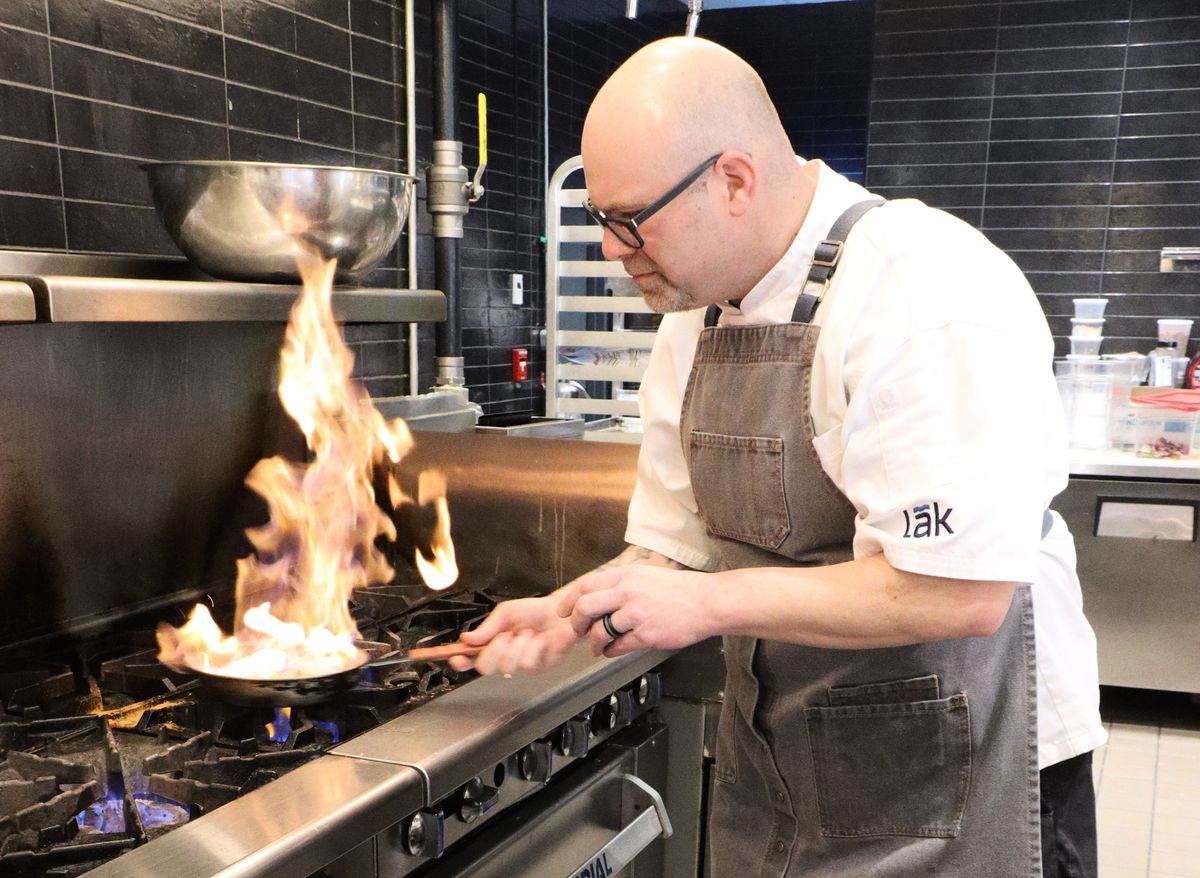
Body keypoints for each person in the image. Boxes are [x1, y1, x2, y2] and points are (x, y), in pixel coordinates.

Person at [449, 36, 1106, 877]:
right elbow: (670, 545)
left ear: (733, 179)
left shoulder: (921, 293)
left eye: (629, 221)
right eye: (601, 221)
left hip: (968, 750)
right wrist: (570, 611)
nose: (613, 249)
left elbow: (961, 592)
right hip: (789, 744)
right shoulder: (699, 313)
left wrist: (704, 605)